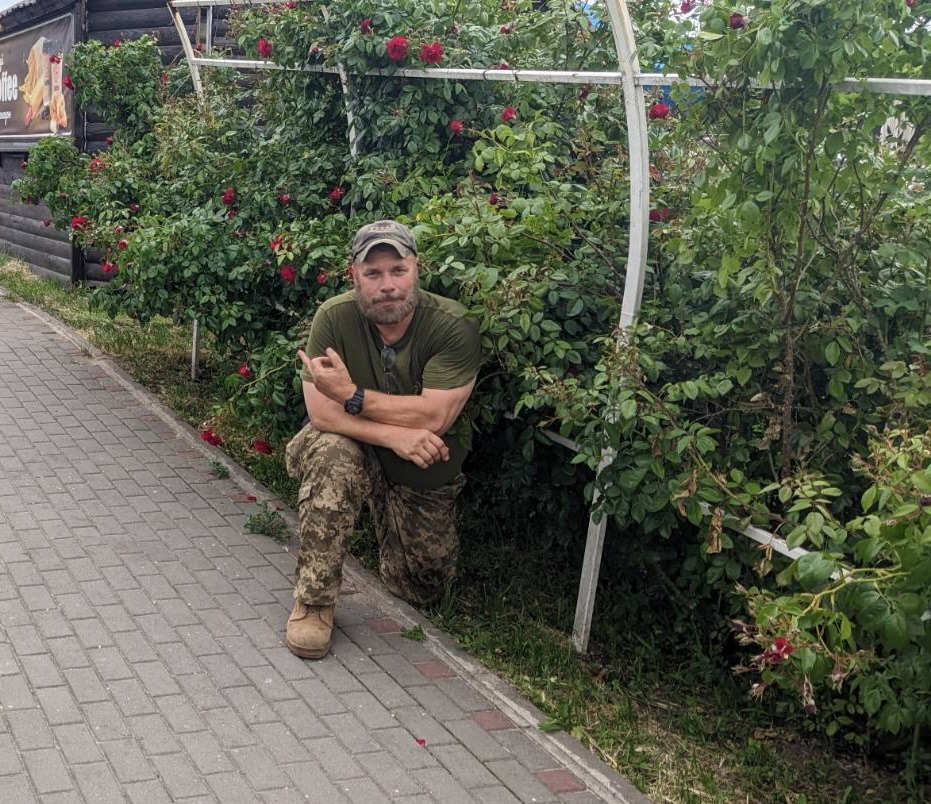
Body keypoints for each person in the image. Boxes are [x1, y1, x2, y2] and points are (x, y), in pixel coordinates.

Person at [284, 220, 482, 659]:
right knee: (333, 454)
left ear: (416, 269)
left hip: (421, 467)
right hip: (356, 447)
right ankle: (314, 601)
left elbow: (434, 415)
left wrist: (351, 395)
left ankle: (383, 522)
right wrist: (393, 435)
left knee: (422, 587)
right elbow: (321, 412)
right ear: (353, 274)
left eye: (398, 270)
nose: (387, 285)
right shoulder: (333, 318)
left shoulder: (454, 325)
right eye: (373, 273)